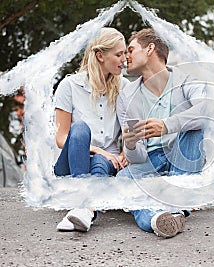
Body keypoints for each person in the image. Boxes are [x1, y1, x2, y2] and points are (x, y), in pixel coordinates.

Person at [116, 28, 206, 238]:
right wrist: (130, 145)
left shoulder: (186, 80)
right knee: (122, 179)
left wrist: (167, 125)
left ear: (150, 49)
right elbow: (136, 157)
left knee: (195, 128)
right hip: (150, 161)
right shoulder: (127, 95)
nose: (125, 56)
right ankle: (159, 218)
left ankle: (173, 202)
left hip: (181, 156)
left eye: (131, 50)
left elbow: (207, 113)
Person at [54, 27, 129, 232]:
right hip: (70, 164)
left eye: (125, 53)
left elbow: (131, 131)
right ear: (100, 56)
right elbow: (61, 138)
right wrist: (98, 149)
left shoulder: (125, 87)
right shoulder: (69, 85)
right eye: (119, 54)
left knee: (100, 161)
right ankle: (83, 201)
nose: (125, 59)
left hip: (107, 162)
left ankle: (84, 209)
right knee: (79, 128)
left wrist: (124, 153)